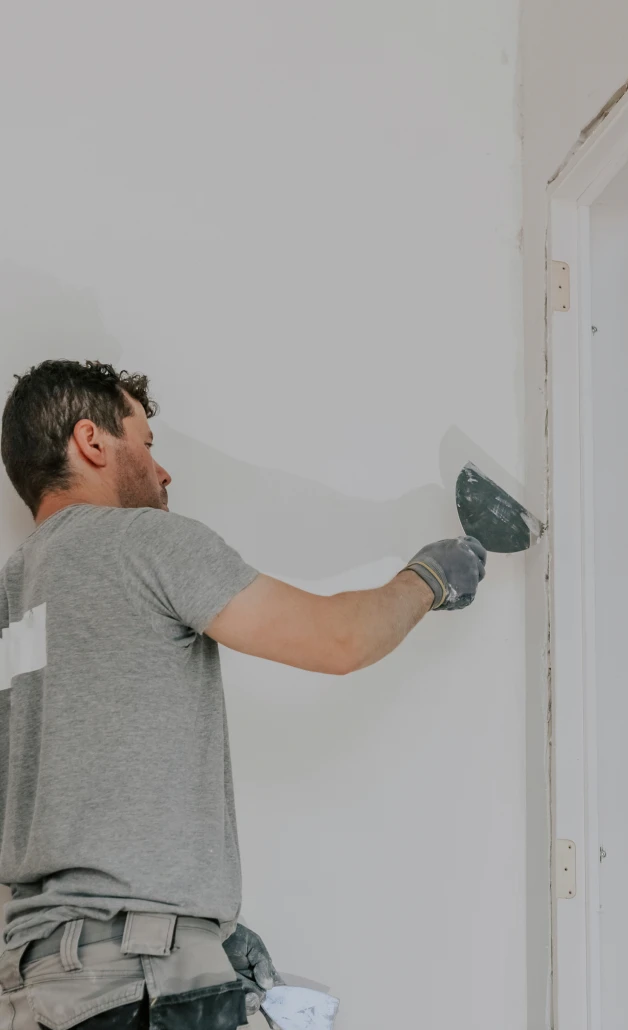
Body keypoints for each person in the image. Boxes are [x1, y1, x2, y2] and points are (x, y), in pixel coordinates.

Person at [0, 360, 487, 1030]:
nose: (163, 472)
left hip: (36, 992)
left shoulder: (10, 595)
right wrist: (431, 576)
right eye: (145, 444)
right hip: (133, 985)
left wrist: (198, 927)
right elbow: (337, 640)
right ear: (92, 442)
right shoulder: (143, 543)